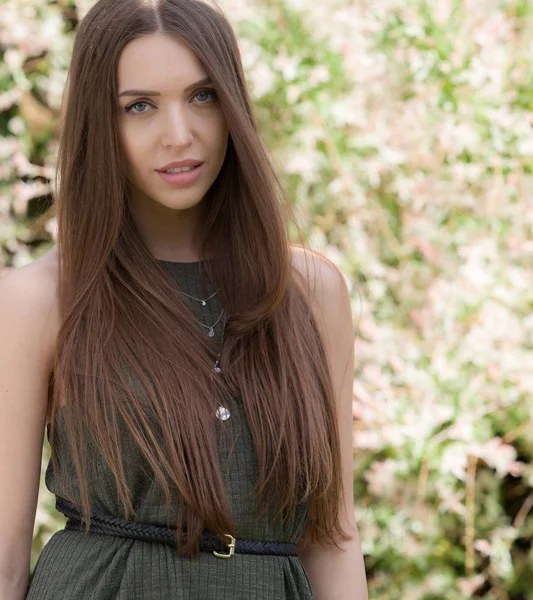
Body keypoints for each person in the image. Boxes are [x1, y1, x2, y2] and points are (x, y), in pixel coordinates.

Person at [0, 0, 368, 599]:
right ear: (102, 122)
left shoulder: (309, 294)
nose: (179, 135)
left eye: (202, 96)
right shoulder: (40, 300)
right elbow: (5, 557)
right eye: (139, 106)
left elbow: (334, 537)